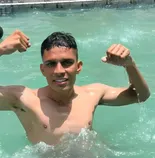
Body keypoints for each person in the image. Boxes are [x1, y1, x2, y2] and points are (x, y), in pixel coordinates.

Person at [0, 29, 150, 146]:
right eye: (51, 64)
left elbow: (140, 95)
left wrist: (129, 64)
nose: (59, 71)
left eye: (66, 63)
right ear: (42, 69)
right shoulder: (23, 99)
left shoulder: (93, 94)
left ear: (78, 67)